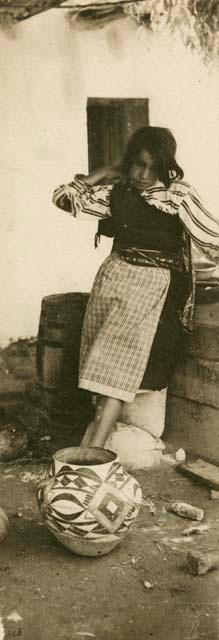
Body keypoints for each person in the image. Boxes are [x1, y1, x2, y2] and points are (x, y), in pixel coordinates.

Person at [52, 126, 219, 448]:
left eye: (153, 168)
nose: (143, 174)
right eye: (137, 164)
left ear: (166, 167)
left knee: (114, 368)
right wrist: (104, 172)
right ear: (128, 162)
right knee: (98, 363)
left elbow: (212, 238)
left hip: (148, 286)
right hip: (112, 280)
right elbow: (65, 198)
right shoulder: (117, 192)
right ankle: (97, 445)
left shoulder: (177, 194)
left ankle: (91, 455)